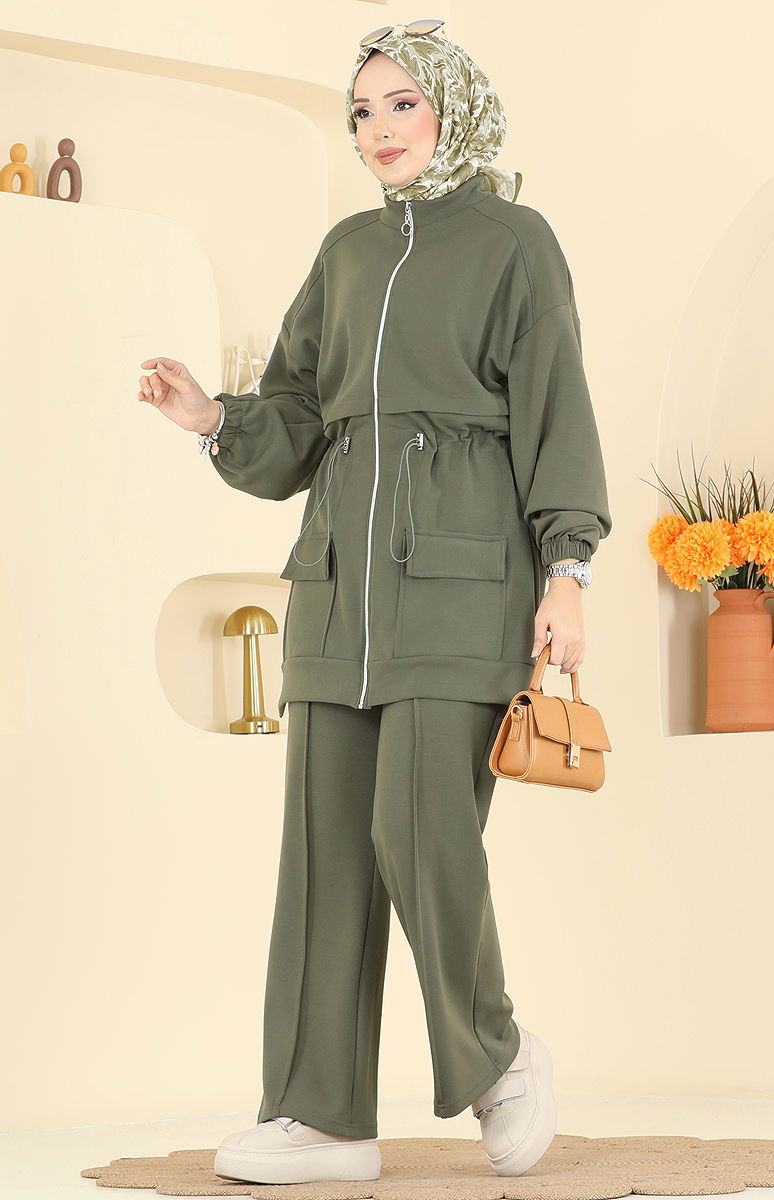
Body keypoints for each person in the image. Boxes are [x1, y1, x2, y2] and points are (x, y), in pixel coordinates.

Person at [137, 20, 612, 1188]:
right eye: (361, 111)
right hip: (336, 584)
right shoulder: (346, 251)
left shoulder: (514, 243)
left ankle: (496, 1054)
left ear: (451, 106)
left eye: (401, 103)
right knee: (323, 852)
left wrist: (567, 570)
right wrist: (214, 420)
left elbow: (556, 409)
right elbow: (297, 419)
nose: (377, 129)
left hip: (462, 578)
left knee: (417, 823)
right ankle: (319, 1116)